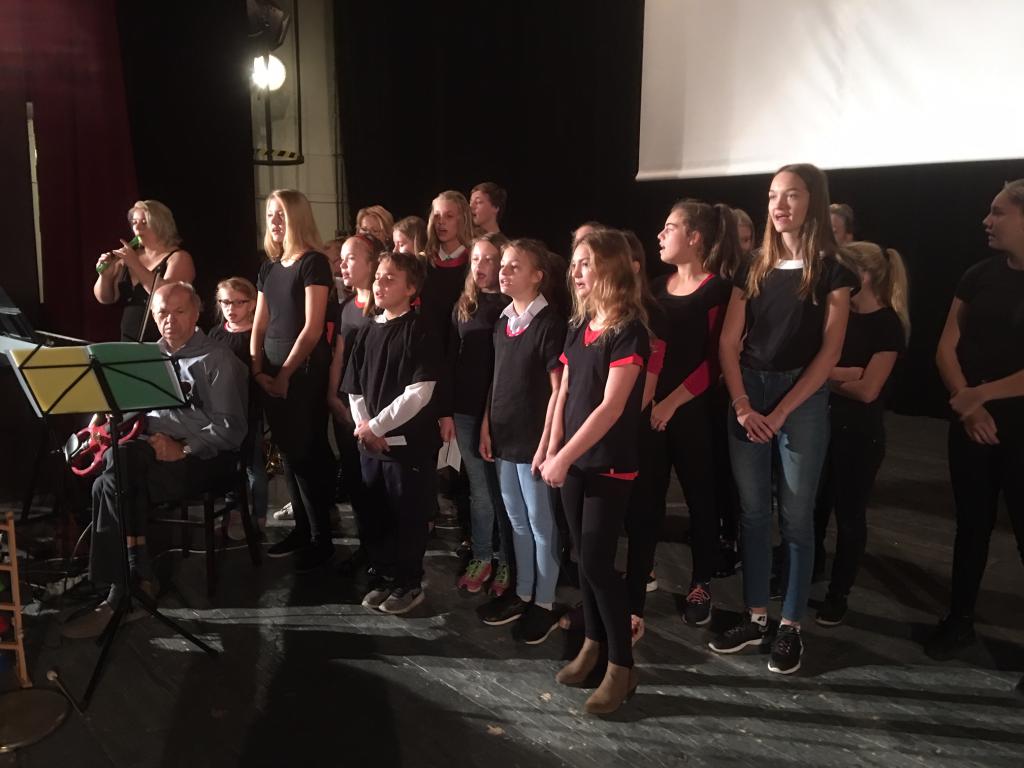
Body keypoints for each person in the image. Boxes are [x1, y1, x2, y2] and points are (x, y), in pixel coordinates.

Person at [709, 163, 857, 675]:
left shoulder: (833, 270)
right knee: (752, 514)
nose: (779, 205)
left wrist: (781, 411)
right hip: (749, 392)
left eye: (791, 195)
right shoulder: (753, 265)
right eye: (773, 195)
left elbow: (829, 352)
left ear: (813, 199)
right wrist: (743, 404)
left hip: (802, 398)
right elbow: (728, 342)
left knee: (795, 517)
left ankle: (790, 626)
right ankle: (755, 617)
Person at [62, 282, 248, 639]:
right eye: (162, 312)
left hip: (202, 456)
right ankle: (131, 583)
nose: (170, 321)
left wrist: (185, 448)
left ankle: (122, 588)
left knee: (110, 481)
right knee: (113, 469)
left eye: (179, 312)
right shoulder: (146, 357)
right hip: (148, 450)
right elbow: (134, 410)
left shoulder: (218, 359)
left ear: (196, 313)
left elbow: (232, 430)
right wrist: (108, 412)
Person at [542, 229, 649, 715]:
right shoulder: (580, 325)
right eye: (575, 263)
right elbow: (564, 393)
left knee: (600, 565)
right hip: (574, 461)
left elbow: (610, 408)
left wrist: (563, 457)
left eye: (586, 262)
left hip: (608, 463)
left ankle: (621, 667)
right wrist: (551, 447)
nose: (576, 271)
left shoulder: (629, 331)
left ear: (611, 267)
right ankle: (592, 645)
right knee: (583, 560)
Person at [928, 179, 1024, 659]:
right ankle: (959, 619)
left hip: (1016, 422)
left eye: (998, 212)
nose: (987, 220)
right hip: (971, 420)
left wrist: (976, 396)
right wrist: (967, 404)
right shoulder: (978, 274)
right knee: (971, 526)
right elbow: (946, 346)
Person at [647, 201, 735, 626]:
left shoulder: (718, 290)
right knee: (647, 496)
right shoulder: (655, 287)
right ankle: (642, 571)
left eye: (670, 227)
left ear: (695, 237)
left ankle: (701, 583)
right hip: (651, 409)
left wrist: (671, 402)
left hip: (693, 411)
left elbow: (715, 360)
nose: (660, 235)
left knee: (701, 498)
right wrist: (649, 400)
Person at [813, 241, 909, 626]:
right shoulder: (837, 315)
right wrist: (845, 373)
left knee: (849, 517)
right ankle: (806, 573)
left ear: (863, 276)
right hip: (823, 427)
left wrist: (823, 376)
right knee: (813, 510)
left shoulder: (887, 324)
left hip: (859, 435)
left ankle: (839, 593)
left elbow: (869, 390)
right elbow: (813, 364)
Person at [341, 250, 442, 615]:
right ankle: (384, 575)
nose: (379, 285)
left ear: (411, 288)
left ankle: (408, 582)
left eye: (390, 279)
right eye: (378, 277)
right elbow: (354, 387)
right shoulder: (367, 330)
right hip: (371, 446)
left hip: (407, 447)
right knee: (376, 514)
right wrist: (364, 427)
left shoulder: (421, 329)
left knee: (408, 516)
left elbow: (420, 392)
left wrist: (377, 426)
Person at [478, 239, 565, 642]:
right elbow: (496, 377)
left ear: (537, 276)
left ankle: (544, 602)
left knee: (540, 524)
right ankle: (523, 592)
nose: (504, 271)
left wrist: (547, 444)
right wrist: (486, 424)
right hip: (504, 436)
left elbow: (558, 390)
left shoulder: (549, 324)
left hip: (534, 441)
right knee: (515, 520)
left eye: (515, 266)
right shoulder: (503, 321)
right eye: (503, 265)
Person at [251, 189, 336, 572]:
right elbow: (260, 323)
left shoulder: (313, 263)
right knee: (288, 452)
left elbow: (313, 327)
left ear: (297, 217)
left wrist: (285, 373)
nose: (274, 221)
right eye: (270, 213)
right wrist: (258, 369)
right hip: (271, 369)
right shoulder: (268, 268)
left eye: (281, 213)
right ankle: (303, 529)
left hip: (302, 371)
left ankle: (321, 538)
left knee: (307, 453)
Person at [450, 233, 513, 595]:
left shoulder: (509, 307)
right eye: (476, 259)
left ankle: (506, 559)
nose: (481, 266)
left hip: (499, 413)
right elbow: (450, 358)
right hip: (464, 410)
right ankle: (483, 555)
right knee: (479, 490)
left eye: (490, 259)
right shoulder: (464, 305)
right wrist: (445, 411)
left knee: (502, 491)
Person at [327, 234, 383, 575]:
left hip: (376, 410)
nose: (342, 265)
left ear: (371, 263)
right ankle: (367, 546)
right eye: (341, 259)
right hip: (347, 406)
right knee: (356, 480)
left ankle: (386, 551)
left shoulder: (383, 307)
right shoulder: (346, 306)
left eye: (350, 259)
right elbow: (339, 354)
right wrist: (333, 396)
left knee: (379, 483)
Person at [208, 277, 269, 541]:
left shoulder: (258, 333)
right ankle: (234, 514)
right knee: (229, 464)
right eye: (225, 302)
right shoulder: (215, 334)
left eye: (238, 303)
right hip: (223, 410)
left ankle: (259, 517)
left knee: (253, 464)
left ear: (252, 304)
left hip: (249, 408)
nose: (230, 308)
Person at [94, 200, 196, 342]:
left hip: (165, 341)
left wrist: (135, 265)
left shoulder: (179, 257)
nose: (137, 228)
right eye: (134, 222)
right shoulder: (129, 257)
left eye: (144, 222)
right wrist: (105, 276)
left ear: (161, 225)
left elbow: (168, 296)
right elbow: (105, 299)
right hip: (128, 340)